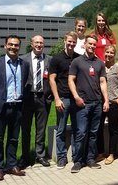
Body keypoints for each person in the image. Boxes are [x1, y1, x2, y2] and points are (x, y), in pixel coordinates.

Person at [0, 35, 29, 181]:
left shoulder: (24, 65)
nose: (13, 47)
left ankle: (11, 165)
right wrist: (0, 97)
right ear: (5, 46)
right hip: (0, 108)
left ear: (19, 47)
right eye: (10, 44)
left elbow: (24, 84)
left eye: (16, 45)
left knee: (13, 139)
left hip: (17, 107)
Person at [68, 34, 109, 173]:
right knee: (81, 133)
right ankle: (78, 161)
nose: (92, 46)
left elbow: (103, 83)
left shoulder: (99, 63)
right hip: (82, 104)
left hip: (97, 103)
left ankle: (90, 159)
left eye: (94, 45)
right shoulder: (77, 62)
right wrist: (76, 97)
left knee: (93, 133)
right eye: (89, 44)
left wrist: (106, 100)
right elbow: (71, 80)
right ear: (84, 44)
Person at [19, 35, 52, 168]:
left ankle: (40, 155)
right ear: (31, 44)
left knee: (41, 129)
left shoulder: (50, 60)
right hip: (27, 98)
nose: (39, 45)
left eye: (41, 43)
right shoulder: (23, 59)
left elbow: (53, 79)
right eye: (36, 42)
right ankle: (25, 157)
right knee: (25, 129)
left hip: (43, 99)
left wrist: (50, 96)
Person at [49, 32, 81, 169]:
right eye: (69, 41)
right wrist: (56, 98)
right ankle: (61, 157)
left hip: (76, 99)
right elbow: (52, 79)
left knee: (76, 129)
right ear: (65, 41)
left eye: (74, 42)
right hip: (63, 98)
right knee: (61, 129)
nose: (71, 44)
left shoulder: (79, 58)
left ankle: (75, 156)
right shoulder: (57, 59)